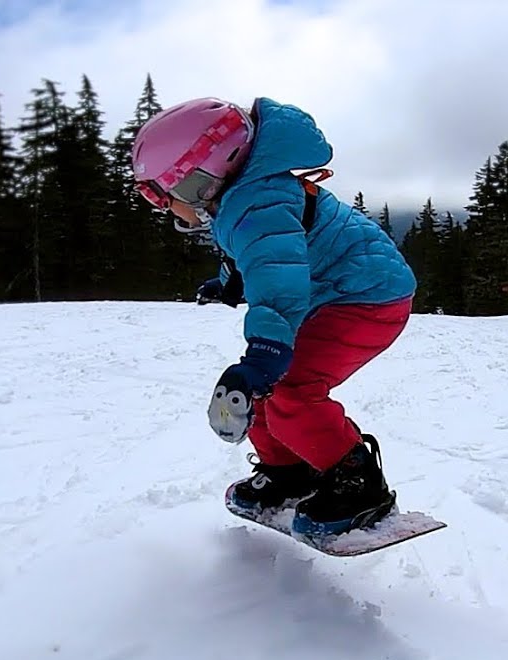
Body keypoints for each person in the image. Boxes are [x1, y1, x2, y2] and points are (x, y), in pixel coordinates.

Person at [131, 96, 416, 537]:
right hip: (332, 293)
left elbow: (278, 283)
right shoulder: (241, 196)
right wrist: (228, 279)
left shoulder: (256, 203)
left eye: (160, 194)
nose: (163, 207)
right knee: (267, 391)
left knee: (291, 391)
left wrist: (265, 353)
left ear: (198, 180)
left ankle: (359, 486)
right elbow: (259, 256)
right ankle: (290, 475)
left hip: (369, 298)